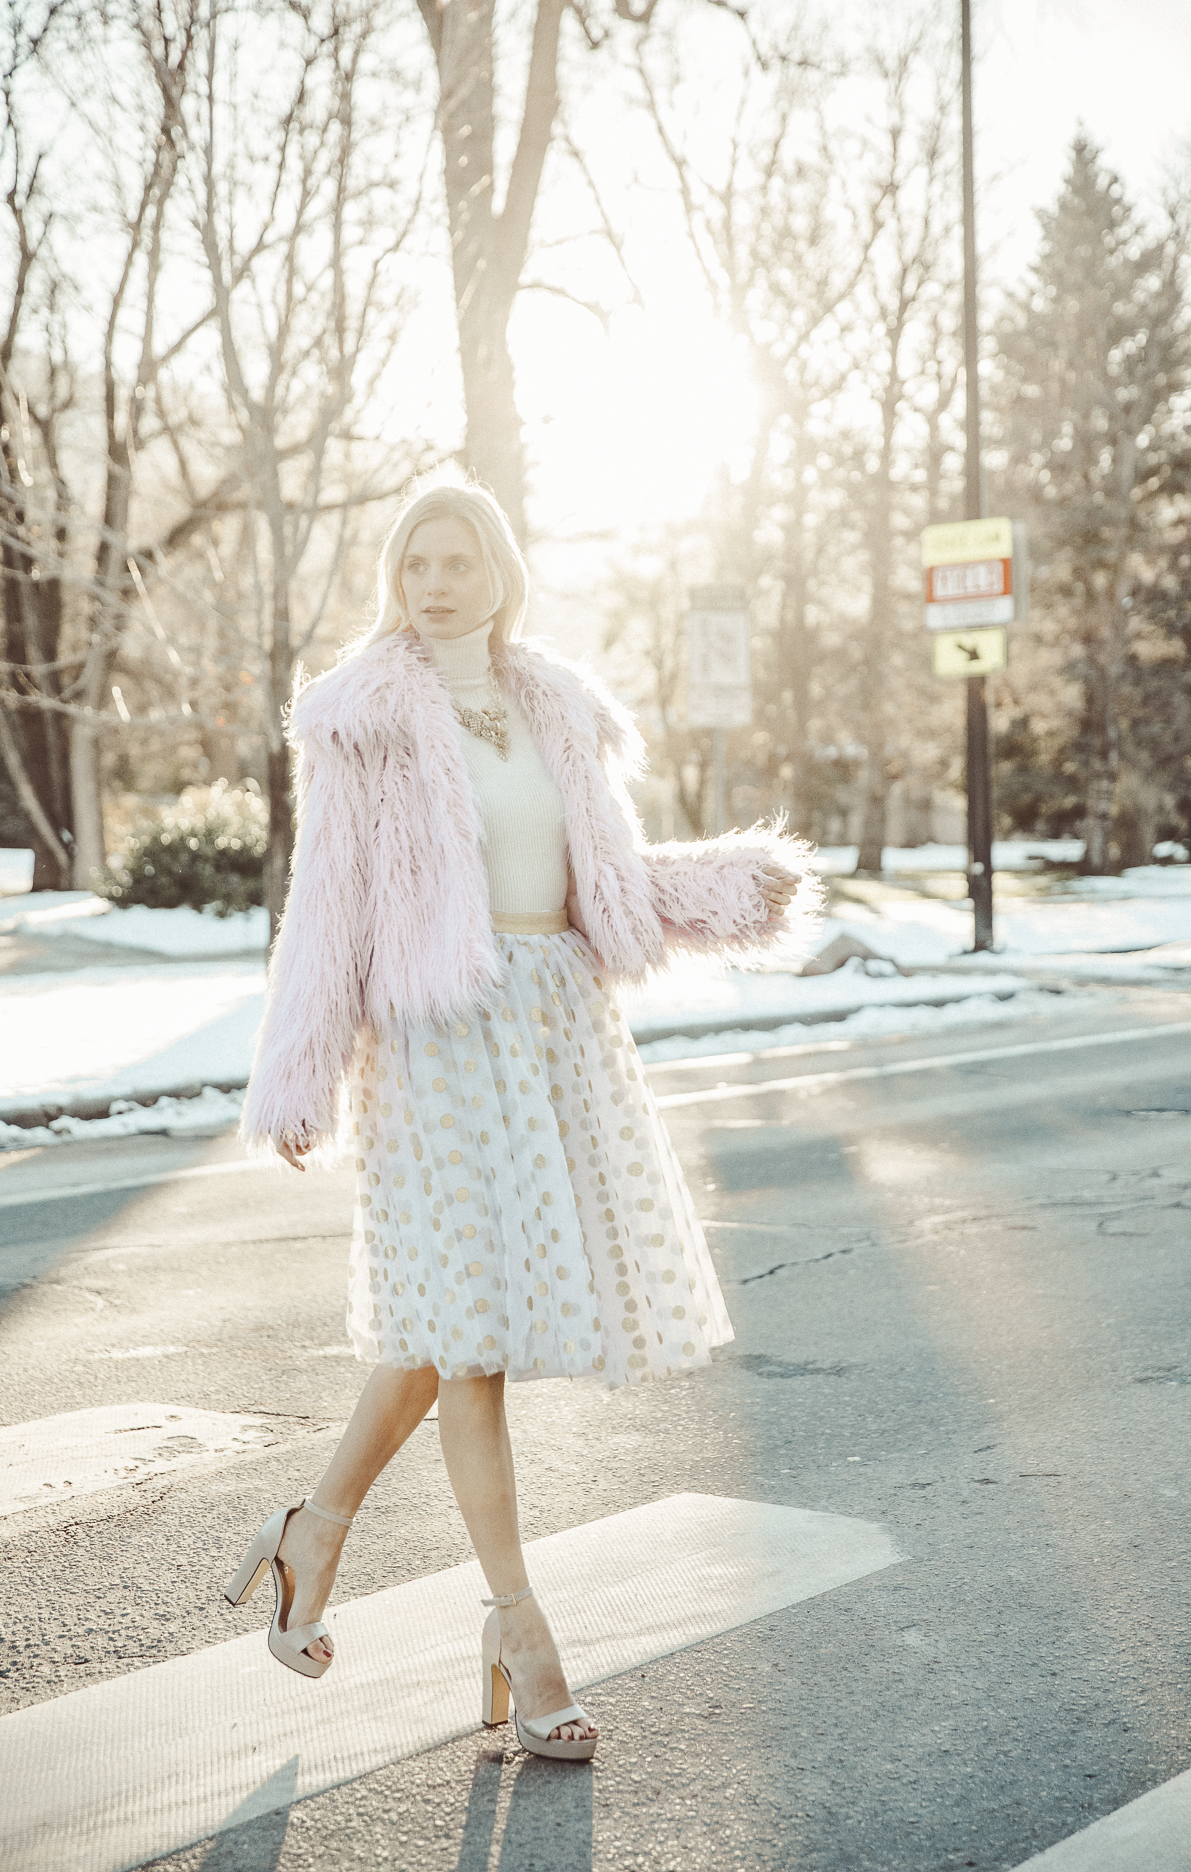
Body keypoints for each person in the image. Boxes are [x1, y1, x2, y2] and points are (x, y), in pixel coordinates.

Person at [226, 481, 817, 1762]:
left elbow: (601, 878)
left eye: (458, 559)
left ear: (500, 571)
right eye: (414, 561)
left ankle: (312, 1530)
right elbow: (326, 909)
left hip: (553, 1027)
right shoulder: (365, 722)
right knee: (470, 1337)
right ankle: (520, 1625)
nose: (433, 582)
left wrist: (729, 888)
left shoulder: (554, 705)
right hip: (438, 1040)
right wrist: (299, 1072)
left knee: (449, 1325)